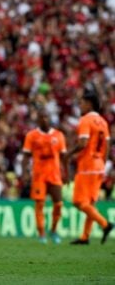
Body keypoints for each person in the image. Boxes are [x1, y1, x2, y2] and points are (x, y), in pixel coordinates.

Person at [66, 91, 113, 245]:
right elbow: (107, 146)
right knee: (90, 204)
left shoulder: (85, 120)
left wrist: (69, 154)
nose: (79, 105)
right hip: (99, 166)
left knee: (78, 202)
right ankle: (85, 237)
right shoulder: (103, 122)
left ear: (89, 104)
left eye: (81, 103)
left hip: (87, 165)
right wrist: (103, 164)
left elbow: (83, 143)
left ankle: (105, 224)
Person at [21, 109, 67, 244]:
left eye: (46, 116)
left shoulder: (59, 135)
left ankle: (53, 230)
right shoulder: (31, 135)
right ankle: (41, 233)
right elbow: (25, 156)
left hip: (55, 175)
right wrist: (24, 172)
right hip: (39, 176)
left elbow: (64, 157)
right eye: (42, 117)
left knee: (58, 204)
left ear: (50, 118)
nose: (44, 119)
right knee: (40, 204)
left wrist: (67, 173)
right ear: (38, 120)